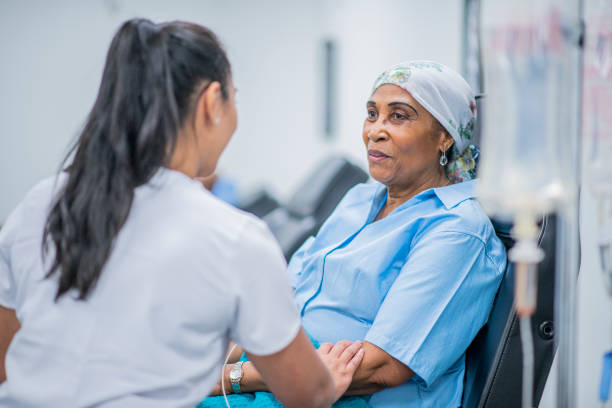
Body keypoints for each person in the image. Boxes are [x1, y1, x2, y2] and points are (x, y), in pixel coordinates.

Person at [0, 19, 364, 408]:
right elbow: (308, 394)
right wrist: (329, 378)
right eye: (233, 98)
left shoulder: (41, 202)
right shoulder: (234, 236)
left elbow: (7, 363)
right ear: (211, 103)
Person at [204, 61, 507, 408]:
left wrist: (230, 378)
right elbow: (282, 302)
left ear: (445, 137)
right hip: (286, 374)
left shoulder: (458, 231)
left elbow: (382, 367)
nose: (375, 131)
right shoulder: (359, 198)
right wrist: (214, 363)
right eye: (372, 114)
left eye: (399, 116)